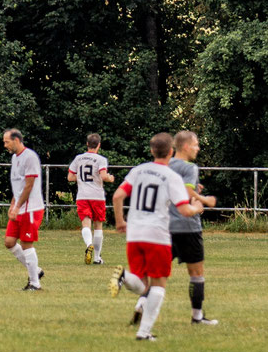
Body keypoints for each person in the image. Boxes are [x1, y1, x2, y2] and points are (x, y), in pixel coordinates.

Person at [108, 132, 203, 341]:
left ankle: (125, 277)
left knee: (142, 282)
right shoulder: (171, 176)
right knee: (158, 285)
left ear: (152, 150)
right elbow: (185, 210)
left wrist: (120, 221)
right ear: (171, 152)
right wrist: (197, 207)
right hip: (157, 235)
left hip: (134, 233)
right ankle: (143, 332)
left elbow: (117, 196)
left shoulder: (138, 170)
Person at [168, 129, 219, 325]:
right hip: (188, 225)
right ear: (186, 146)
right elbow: (186, 189)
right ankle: (197, 317)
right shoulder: (190, 167)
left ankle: (141, 304)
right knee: (196, 273)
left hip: (166, 225)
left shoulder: (166, 164)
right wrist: (203, 200)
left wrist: (194, 190)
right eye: (196, 144)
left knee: (158, 274)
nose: (198, 148)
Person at [2, 128, 45, 291]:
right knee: (9, 242)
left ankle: (35, 283)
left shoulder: (30, 157)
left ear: (17, 140)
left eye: (7, 142)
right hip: (19, 207)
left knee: (27, 244)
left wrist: (18, 205)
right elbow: (17, 186)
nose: (5, 145)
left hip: (31, 208)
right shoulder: (15, 158)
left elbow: (29, 185)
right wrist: (13, 204)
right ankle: (36, 271)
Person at [65, 133, 114, 266]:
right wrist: (110, 178)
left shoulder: (78, 158)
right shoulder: (100, 159)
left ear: (87, 144)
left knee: (85, 224)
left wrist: (80, 178)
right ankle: (97, 258)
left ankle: (89, 244)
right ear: (99, 145)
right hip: (97, 196)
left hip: (82, 195)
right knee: (98, 226)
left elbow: (70, 177)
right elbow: (103, 176)